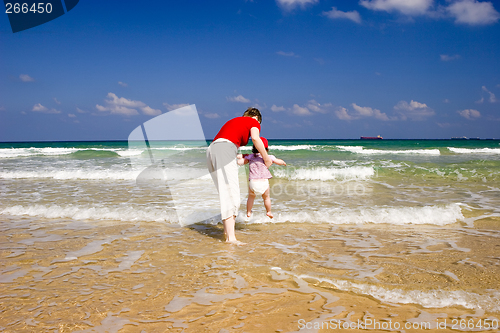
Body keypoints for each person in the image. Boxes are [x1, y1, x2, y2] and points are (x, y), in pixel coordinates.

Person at [206, 107, 271, 244]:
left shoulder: (236, 121)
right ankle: (231, 238)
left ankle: (227, 232)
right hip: (224, 148)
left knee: (226, 192)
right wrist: (266, 158)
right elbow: (255, 138)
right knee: (232, 194)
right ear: (257, 119)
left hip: (212, 150)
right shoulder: (254, 122)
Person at [237, 138, 286, 219]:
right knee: (266, 198)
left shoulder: (251, 156)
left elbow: (240, 162)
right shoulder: (269, 157)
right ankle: (269, 212)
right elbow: (278, 161)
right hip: (264, 182)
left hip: (253, 182)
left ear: (253, 148)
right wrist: (283, 162)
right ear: (266, 149)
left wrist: (242, 157)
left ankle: (249, 212)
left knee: (251, 197)